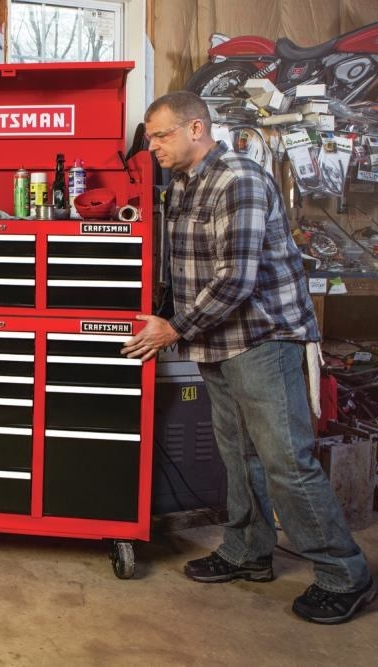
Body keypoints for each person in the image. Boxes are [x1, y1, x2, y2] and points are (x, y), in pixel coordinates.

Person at [122, 90, 373, 624]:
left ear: (196, 128)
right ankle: (248, 551)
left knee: (287, 461)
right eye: (149, 137)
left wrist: (173, 328)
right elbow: (190, 266)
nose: (153, 146)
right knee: (240, 456)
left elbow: (235, 278)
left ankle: (344, 573)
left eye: (162, 135)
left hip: (263, 340)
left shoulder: (237, 179)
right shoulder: (185, 185)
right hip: (218, 342)